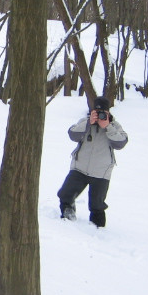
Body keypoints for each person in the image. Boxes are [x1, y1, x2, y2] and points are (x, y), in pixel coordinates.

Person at [57, 96, 128, 227]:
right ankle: (67, 216)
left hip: (101, 172)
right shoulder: (85, 122)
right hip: (79, 167)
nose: (100, 115)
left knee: (97, 205)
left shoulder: (114, 126)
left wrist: (107, 127)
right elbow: (72, 134)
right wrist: (89, 122)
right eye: (97, 112)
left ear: (108, 112)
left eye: (103, 113)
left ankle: (98, 230)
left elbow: (121, 143)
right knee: (65, 194)